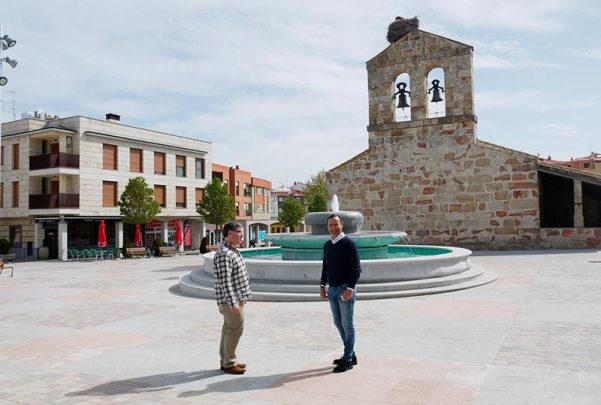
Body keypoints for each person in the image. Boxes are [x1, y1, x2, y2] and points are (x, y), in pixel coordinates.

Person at [320, 214, 362, 373]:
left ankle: (348, 359)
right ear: (327, 227)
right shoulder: (327, 245)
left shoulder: (349, 244)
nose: (333, 228)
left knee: (347, 324)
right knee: (338, 323)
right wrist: (322, 286)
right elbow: (325, 267)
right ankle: (350, 354)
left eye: (336, 224)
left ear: (342, 224)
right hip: (332, 290)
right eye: (330, 225)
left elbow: (357, 269)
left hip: (345, 289)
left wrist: (350, 289)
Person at [214, 221, 252, 375]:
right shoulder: (225, 253)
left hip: (235, 298)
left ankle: (226, 360)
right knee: (235, 329)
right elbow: (225, 281)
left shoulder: (231, 250)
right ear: (230, 233)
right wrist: (233, 302)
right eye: (239, 232)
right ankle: (229, 363)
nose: (242, 236)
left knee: (228, 328)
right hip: (231, 300)